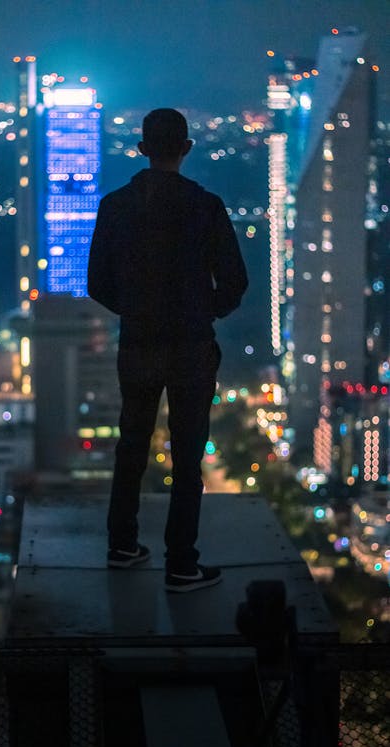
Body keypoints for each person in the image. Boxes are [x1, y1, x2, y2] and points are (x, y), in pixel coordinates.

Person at [88, 108, 248, 592]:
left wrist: (136, 309)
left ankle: (122, 545)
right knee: (187, 454)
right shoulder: (206, 205)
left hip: (138, 342)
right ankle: (182, 563)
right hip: (191, 347)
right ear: (186, 148)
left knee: (131, 443)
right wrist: (205, 311)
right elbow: (236, 280)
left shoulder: (115, 205)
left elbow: (97, 282)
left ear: (142, 149)